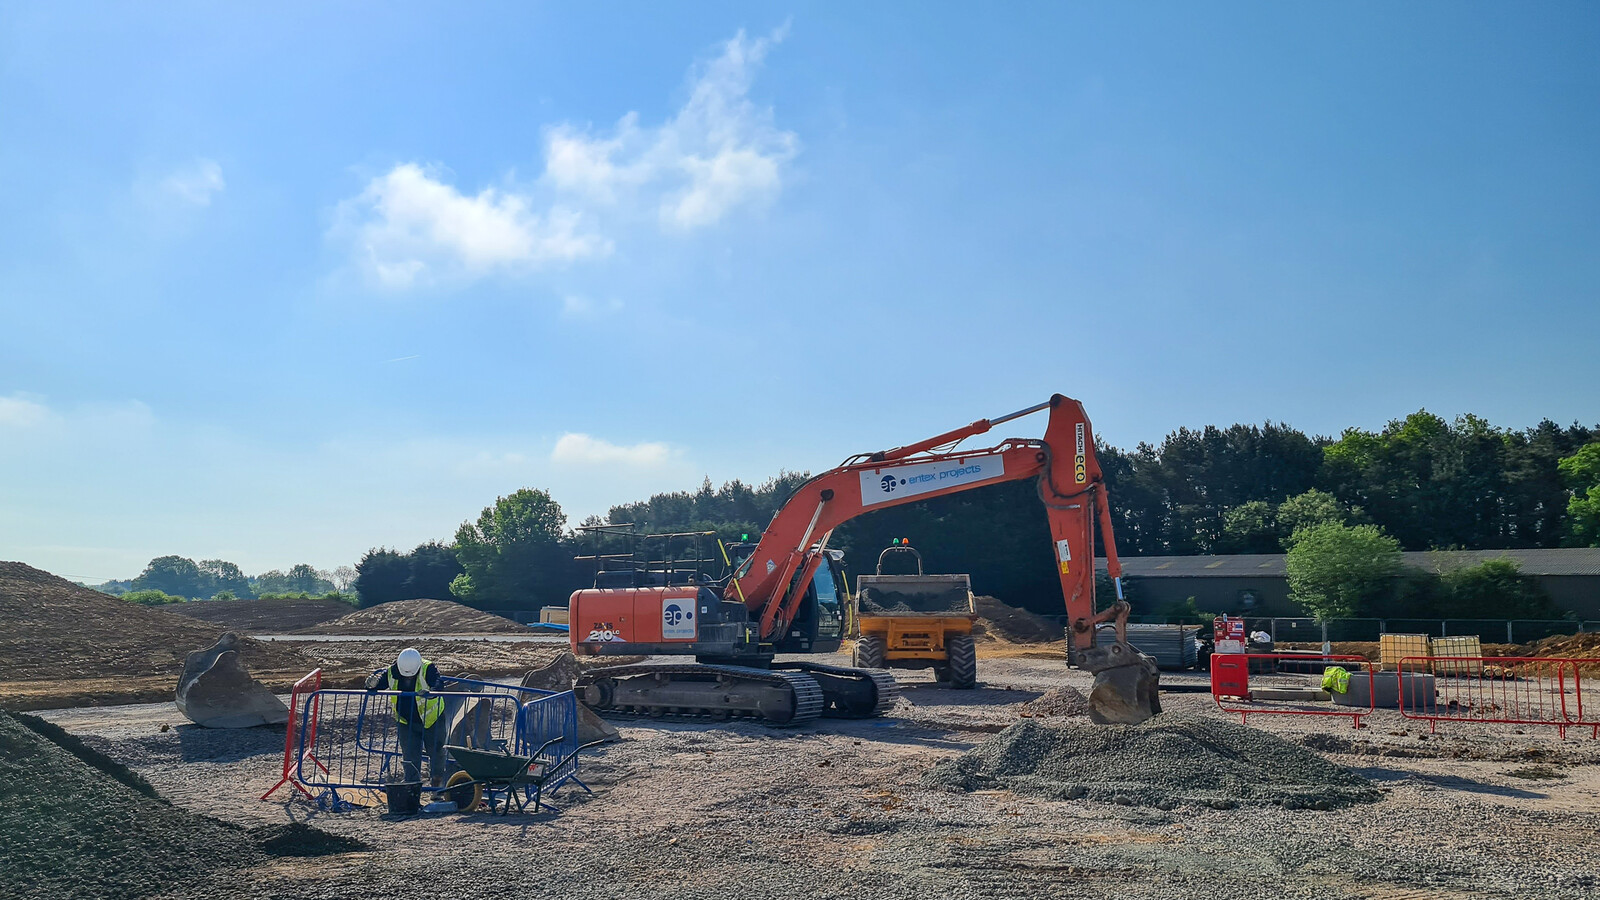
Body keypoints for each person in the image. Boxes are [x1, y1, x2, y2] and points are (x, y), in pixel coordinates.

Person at [365, 648, 448, 787]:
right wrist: (371, 685)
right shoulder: (392, 671)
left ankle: (437, 783)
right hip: (406, 721)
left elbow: (438, 683)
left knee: (436, 752)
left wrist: (432, 692)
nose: (408, 678)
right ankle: (411, 785)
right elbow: (378, 685)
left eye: (411, 676)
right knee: (410, 754)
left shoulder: (428, 668)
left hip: (432, 720)